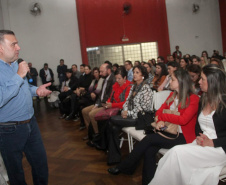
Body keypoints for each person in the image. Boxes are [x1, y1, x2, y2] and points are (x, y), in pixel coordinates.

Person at [108, 69, 199, 185]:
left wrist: (164, 117)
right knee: (149, 150)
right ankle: (148, 182)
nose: (169, 81)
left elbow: (183, 120)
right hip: (168, 130)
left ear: (181, 82)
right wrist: (160, 120)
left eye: (173, 79)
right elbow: (158, 111)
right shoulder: (172, 95)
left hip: (182, 136)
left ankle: (125, 166)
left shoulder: (193, 98)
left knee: (149, 139)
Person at [150, 64, 226, 185]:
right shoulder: (204, 100)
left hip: (219, 149)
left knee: (176, 153)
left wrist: (212, 142)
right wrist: (200, 138)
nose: (199, 82)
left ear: (213, 82)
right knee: (170, 157)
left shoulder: (224, 104)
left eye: (202, 79)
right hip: (202, 143)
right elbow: (198, 126)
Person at [0, 30, 51, 185]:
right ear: (0, 47)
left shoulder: (15, 64)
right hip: (9, 129)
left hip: (31, 123)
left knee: (41, 165)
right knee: (16, 173)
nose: (18, 47)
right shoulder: (17, 70)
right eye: (13, 44)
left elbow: (23, 88)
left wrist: (36, 90)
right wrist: (18, 76)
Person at [107, 65, 153, 165]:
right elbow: (126, 102)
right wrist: (125, 111)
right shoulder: (134, 87)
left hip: (140, 119)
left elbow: (145, 109)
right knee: (113, 127)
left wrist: (129, 113)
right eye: (134, 72)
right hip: (130, 116)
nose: (134, 74)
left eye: (137, 72)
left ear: (143, 75)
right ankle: (114, 157)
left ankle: (114, 156)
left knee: (111, 120)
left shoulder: (146, 89)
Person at [93, 66, 132, 149]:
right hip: (113, 108)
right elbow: (111, 97)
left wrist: (112, 105)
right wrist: (108, 102)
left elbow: (125, 103)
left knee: (106, 122)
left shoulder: (129, 87)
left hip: (121, 110)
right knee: (100, 119)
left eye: (119, 79)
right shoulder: (115, 85)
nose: (117, 81)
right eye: (116, 78)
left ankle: (104, 144)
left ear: (125, 77)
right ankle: (102, 142)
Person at [82, 63, 115, 145]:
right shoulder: (105, 79)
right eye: (99, 72)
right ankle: (91, 132)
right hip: (100, 103)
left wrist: (99, 105)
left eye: (101, 71)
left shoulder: (113, 80)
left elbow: (109, 96)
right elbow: (101, 95)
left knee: (92, 114)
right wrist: (96, 105)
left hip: (106, 104)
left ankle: (98, 136)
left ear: (108, 70)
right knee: (84, 111)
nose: (100, 73)